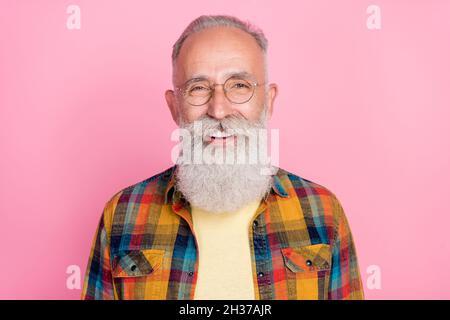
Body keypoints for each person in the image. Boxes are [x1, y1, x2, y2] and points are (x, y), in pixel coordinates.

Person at [81, 14, 364, 300]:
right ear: (174, 106)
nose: (218, 110)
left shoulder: (322, 211)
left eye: (239, 85)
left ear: (268, 101)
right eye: (198, 88)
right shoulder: (123, 213)